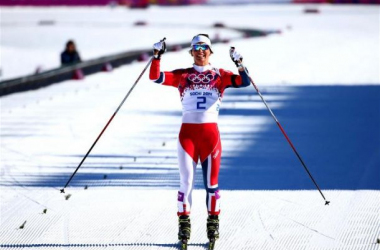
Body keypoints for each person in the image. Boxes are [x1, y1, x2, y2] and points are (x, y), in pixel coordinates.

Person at [149, 34, 250, 244]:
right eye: (196, 47)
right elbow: (155, 77)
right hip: (187, 137)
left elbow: (244, 82)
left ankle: (213, 225)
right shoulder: (183, 75)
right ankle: (184, 227)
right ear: (191, 51)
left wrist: (239, 64)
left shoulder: (219, 75)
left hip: (210, 137)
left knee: (211, 185)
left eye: (204, 47)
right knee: (185, 183)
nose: (200, 51)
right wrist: (157, 55)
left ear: (210, 51)